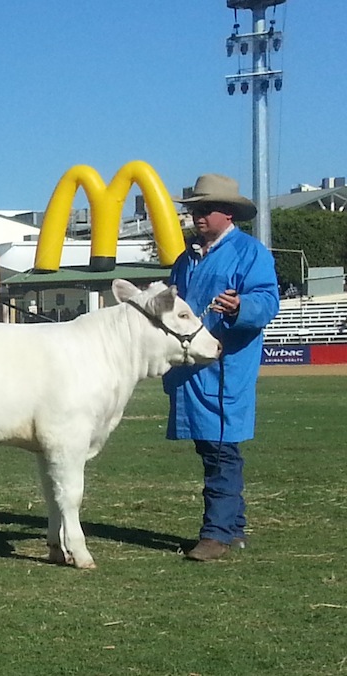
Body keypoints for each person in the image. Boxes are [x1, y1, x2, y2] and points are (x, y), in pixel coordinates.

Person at [164, 174, 280, 562]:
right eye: (194, 209)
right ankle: (233, 527)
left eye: (204, 209)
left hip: (226, 367)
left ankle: (214, 534)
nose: (196, 215)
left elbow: (266, 301)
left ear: (226, 213)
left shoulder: (251, 253)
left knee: (220, 450)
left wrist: (240, 307)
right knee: (211, 447)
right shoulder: (185, 259)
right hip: (190, 370)